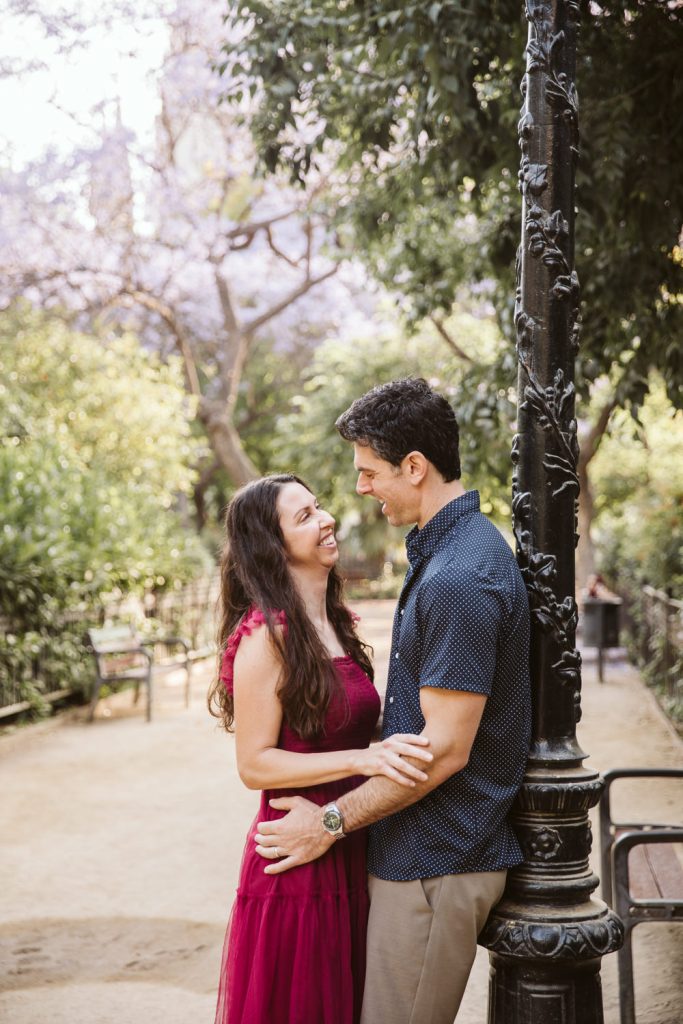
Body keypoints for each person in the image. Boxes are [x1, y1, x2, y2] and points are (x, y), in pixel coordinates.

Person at [253, 380, 532, 1024]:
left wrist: (327, 824)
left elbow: (442, 753)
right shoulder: (445, 555)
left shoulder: (460, 577)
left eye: (369, 472)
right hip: (419, 854)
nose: (360, 489)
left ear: (415, 466)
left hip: (436, 858)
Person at [207, 472, 432, 1024]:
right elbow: (254, 763)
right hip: (295, 859)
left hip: (345, 839)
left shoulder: (334, 623)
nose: (326, 519)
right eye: (303, 517)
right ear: (272, 545)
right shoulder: (267, 635)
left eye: (319, 507)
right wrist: (362, 760)